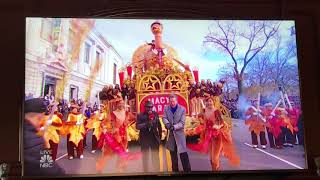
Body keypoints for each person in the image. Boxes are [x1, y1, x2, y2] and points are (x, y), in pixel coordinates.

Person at [187, 97, 240, 170]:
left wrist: (218, 126)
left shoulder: (216, 111)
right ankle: (215, 170)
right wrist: (201, 122)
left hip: (217, 136)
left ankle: (216, 171)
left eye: (210, 101)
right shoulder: (204, 110)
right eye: (207, 102)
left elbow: (222, 123)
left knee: (215, 157)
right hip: (208, 136)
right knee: (211, 157)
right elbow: (199, 117)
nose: (209, 103)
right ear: (205, 103)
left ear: (213, 102)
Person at [23, 98, 65, 176]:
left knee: (53, 149)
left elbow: (60, 125)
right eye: (39, 119)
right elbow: (48, 167)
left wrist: (52, 123)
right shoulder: (33, 141)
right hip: (44, 136)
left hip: (52, 135)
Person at [162, 94, 191, 172]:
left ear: (176, 101)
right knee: (173, 155)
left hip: (179, 135)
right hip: (171, 136)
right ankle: (175, 171)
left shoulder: (182, 109)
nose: (172, 103)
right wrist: (167, 124)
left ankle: (187, 171)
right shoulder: (166, 108)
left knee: (183, 154)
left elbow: (182, 123)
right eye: (171, 101)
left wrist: (174, 127)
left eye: (173, 101)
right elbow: (164, 117)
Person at [136, 101, 162, 172]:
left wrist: (159, 137)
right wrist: (146, 124)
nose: (150, 109)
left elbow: (159, 126)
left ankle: (157, 171)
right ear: (145, 107)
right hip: (144, 138)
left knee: (155, 156)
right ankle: (146, 172)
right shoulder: (140, 115)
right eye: (148, 107)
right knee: (145, 157)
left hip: (154, 138)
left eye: (151, 107)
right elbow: (137, 126)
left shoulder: (155, 114)